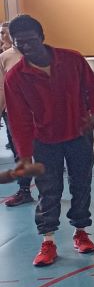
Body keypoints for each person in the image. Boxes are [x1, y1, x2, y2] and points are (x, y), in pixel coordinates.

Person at [5, 14, 94, 267]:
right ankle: (48, 240)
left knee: (81, 185)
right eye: (19, 43)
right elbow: (18, 119)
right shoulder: (15, 77)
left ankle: (81, 232)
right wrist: (25, 155)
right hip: (44, 141)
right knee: (49, 190)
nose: (25, 47)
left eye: (30, 40)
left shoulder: (72, 59)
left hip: (79, 135)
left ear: (42, 37)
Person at [0, 23, 35, 206]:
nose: (2, 36)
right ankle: (24, 190)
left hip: (39, 112)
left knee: (45, 150)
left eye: (4, 33)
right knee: (21, 153)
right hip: (14, 114)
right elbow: (2, 88)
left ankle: (49, 191)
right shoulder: (4, 57)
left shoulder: (38, 53)